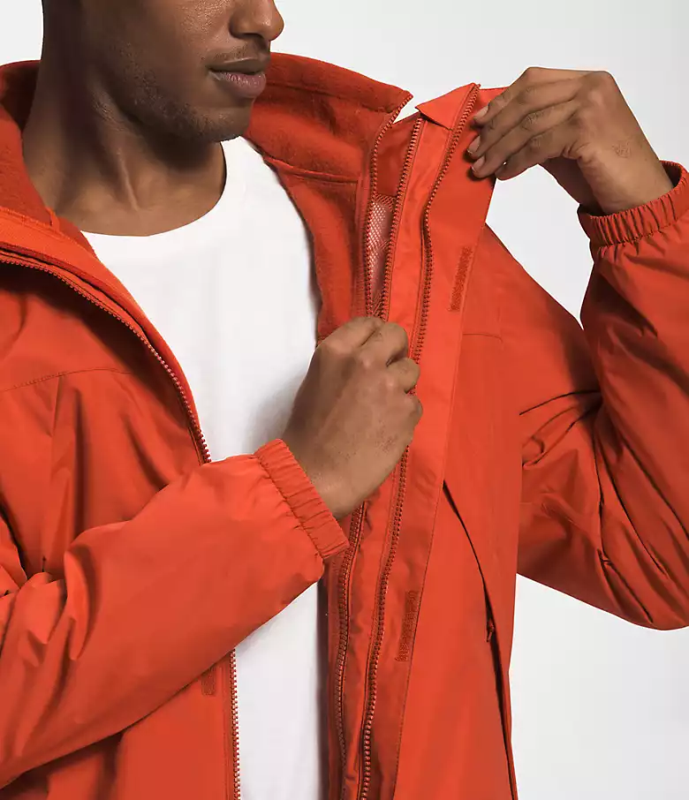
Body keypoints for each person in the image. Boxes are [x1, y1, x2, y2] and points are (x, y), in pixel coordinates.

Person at [0, 0, 687, 798]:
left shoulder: (392, 234)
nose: (265, 18)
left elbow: (653, 556)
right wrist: (296, 493)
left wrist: (644, 219)